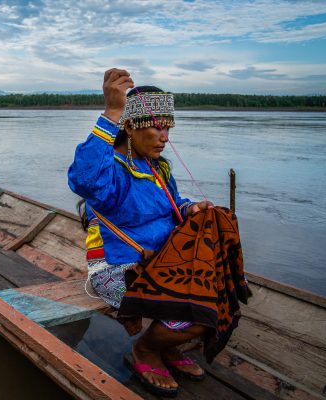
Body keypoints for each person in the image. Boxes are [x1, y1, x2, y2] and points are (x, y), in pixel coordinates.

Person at [68, 68, 217, 396]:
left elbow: (171, 203)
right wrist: (111, 111)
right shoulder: (113, 173)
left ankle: (164, 344)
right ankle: (146, 349)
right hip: (116, 271)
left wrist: (190, 208)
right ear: (131, 126)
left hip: (157, 266)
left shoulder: (157, 168)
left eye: (168, 128)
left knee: (216, 293)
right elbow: (83, 178)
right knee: (199, 315)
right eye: (157, 127)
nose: (165, 137)